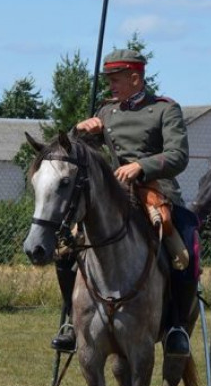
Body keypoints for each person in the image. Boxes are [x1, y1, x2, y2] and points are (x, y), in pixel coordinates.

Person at [49, 49, 198, 357]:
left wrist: (141, 166)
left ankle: (176, 327)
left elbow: (178, 156)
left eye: (115, 80)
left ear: (135, 78)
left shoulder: (165, 109)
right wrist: (79, 131)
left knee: (185, 249)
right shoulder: (107, 112)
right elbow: (76, 153)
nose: (110, 86)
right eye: (108, 81)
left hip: (156, 190)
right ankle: (71, 322)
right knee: (64, 249)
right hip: (114, 193)